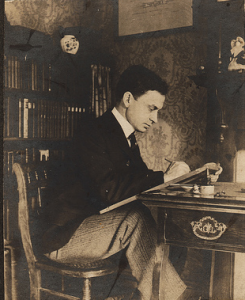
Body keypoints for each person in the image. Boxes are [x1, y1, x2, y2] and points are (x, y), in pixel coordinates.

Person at [40, 65, 221, 300]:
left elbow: (140, 185)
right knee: (136, 219)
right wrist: (164, 177)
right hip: (64, 236)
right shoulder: (93, 131)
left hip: (99, 226)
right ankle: (171, 297)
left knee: (171, 222)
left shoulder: (125, 135)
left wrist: (192, 179)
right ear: (128, 99)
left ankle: (157, 294)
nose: (155, 119)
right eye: (151, 108)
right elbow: (110, 189)